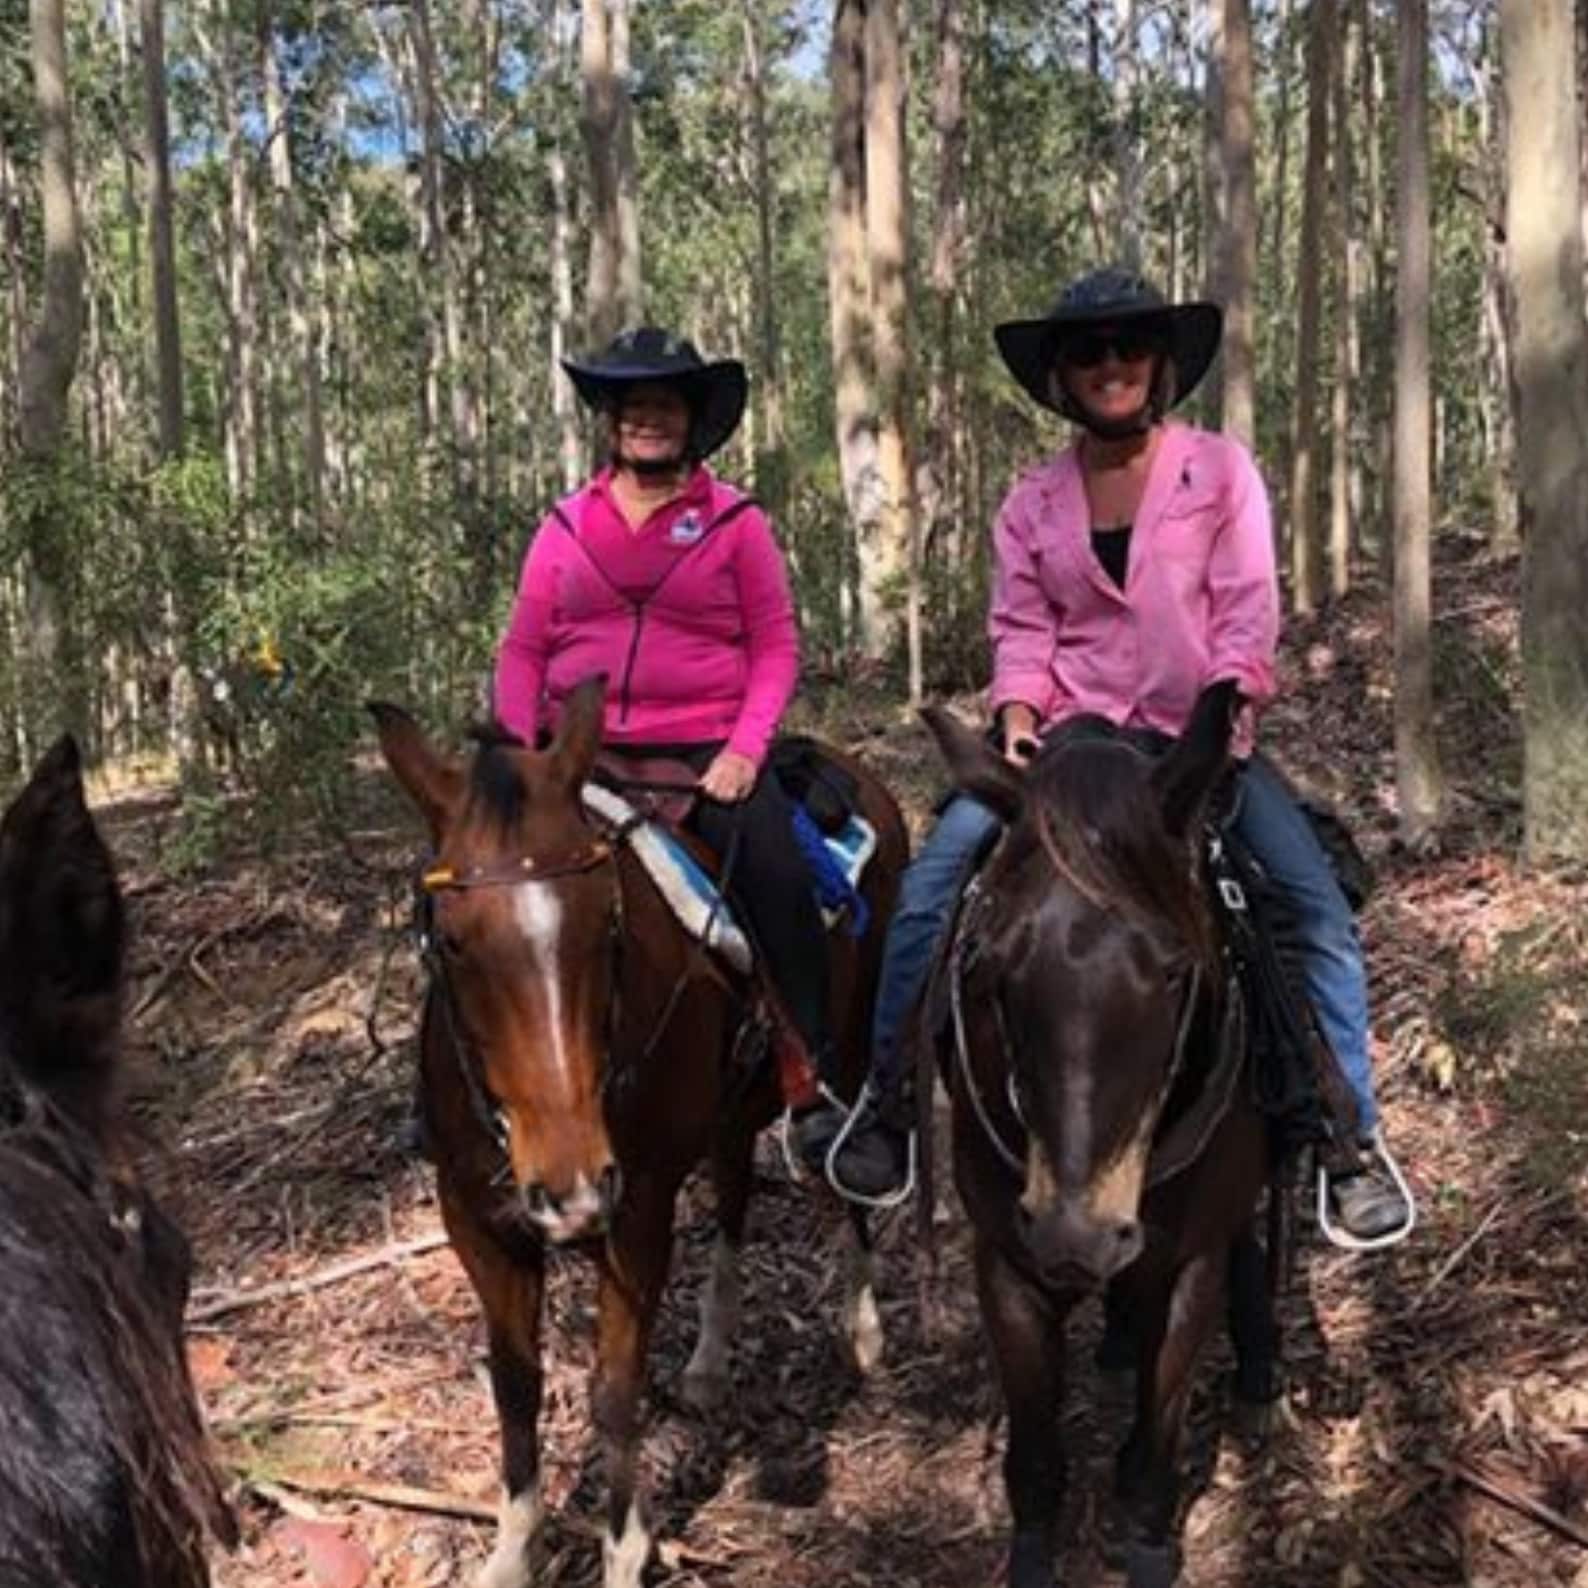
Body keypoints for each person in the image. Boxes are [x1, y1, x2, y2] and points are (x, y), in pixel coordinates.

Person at [811, 267, 1413, 1246]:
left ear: (1158, 362)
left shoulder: (1219, 473)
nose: (1109, 365)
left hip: (1192, 743)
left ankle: (1347, 1139)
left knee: (1303, 902)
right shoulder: (1031, 503)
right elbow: (1022, 630)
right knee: (930, 887)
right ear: (1061, 375)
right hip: (1070, 743)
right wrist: (1014, 714)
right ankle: (888, 1111)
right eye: (1087, 352)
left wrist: (1223, 712)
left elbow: (1245, 608)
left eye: (1126, 346)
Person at [492, 326, 843, 1115]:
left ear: (691, 419)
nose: (648, 417)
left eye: (665, 404)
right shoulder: (563, 525)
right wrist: (521, 750)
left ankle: (809, 1062)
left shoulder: (736, 523)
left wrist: (746, 750)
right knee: (473, 884)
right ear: (611, 418)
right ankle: (456, 1082)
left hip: (702, 752)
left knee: (778, 874)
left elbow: (776, 647)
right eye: (633, 403)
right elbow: (522, 649)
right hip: (575, 755)